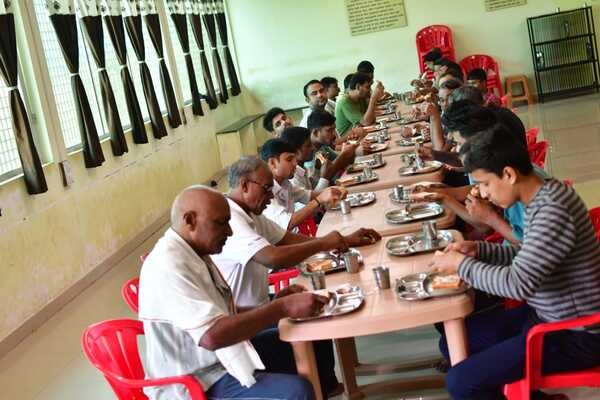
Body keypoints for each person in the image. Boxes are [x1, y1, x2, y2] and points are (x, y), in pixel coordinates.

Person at [430, 125, 600, 399]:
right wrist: (479, 250)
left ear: (508, 174)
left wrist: (462, 266)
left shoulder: (552, 210)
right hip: (545, 316)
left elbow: (518, 284)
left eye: (484, 183)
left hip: (575, 334)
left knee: (461, 382)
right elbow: (527, 256)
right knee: (452, 340)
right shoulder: (542, 196)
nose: (482, 194)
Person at [139, 186, 325, 400]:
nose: (229, 231)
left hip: (218, 360)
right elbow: (211, 336)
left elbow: (222, 313)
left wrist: (271, 305)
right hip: (197, 382)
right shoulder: (169, 265)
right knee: (295, 392)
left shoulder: (194, 252)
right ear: (189, 220)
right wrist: (281, 308)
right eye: (220, 223)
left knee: (304, 338)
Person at [212, 155, 380, 310]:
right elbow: (273, 258)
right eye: (266, 189)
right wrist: (324, 243)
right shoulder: (232, 218)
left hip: (260, 305)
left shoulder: (251, 213)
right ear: (244, 185)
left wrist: (344, 240)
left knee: (324, 305)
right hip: (244, 319)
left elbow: (288, 239)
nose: (271, 196)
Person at [259, 138, 343, 230]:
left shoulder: (285, 184)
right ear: (273, 163)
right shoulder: (265, 192)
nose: (295, 163)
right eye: (289, 159)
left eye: (294, 159)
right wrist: (319, 200)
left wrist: (337, 191)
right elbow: (288, 223)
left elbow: (309, 195)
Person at [307, 110, 357, 178]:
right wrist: (343, 154)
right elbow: (328, 173)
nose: (334, 135)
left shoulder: (322, 147)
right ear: (315, 132)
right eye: (329, 130)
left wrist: (351, 149)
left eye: (334, 129)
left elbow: (339, 162)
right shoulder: (308, 154)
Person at [280, 126, 332, 191]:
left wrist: (317, 169)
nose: (313, 148)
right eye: (308, 146)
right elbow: (313, 200)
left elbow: (311, 190)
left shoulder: (301, 169)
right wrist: (325, 177)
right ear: (296, 151)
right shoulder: (293, 177)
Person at [335, 72, 384, 136]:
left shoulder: (361, 97)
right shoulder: (344, 101)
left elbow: (371, 117)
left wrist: (375, 97)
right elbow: (366, 122)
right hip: (348, 140)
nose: (369, 90)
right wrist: (373, 98)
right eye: (367, 87)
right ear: (358, 87)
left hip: (361, 134)